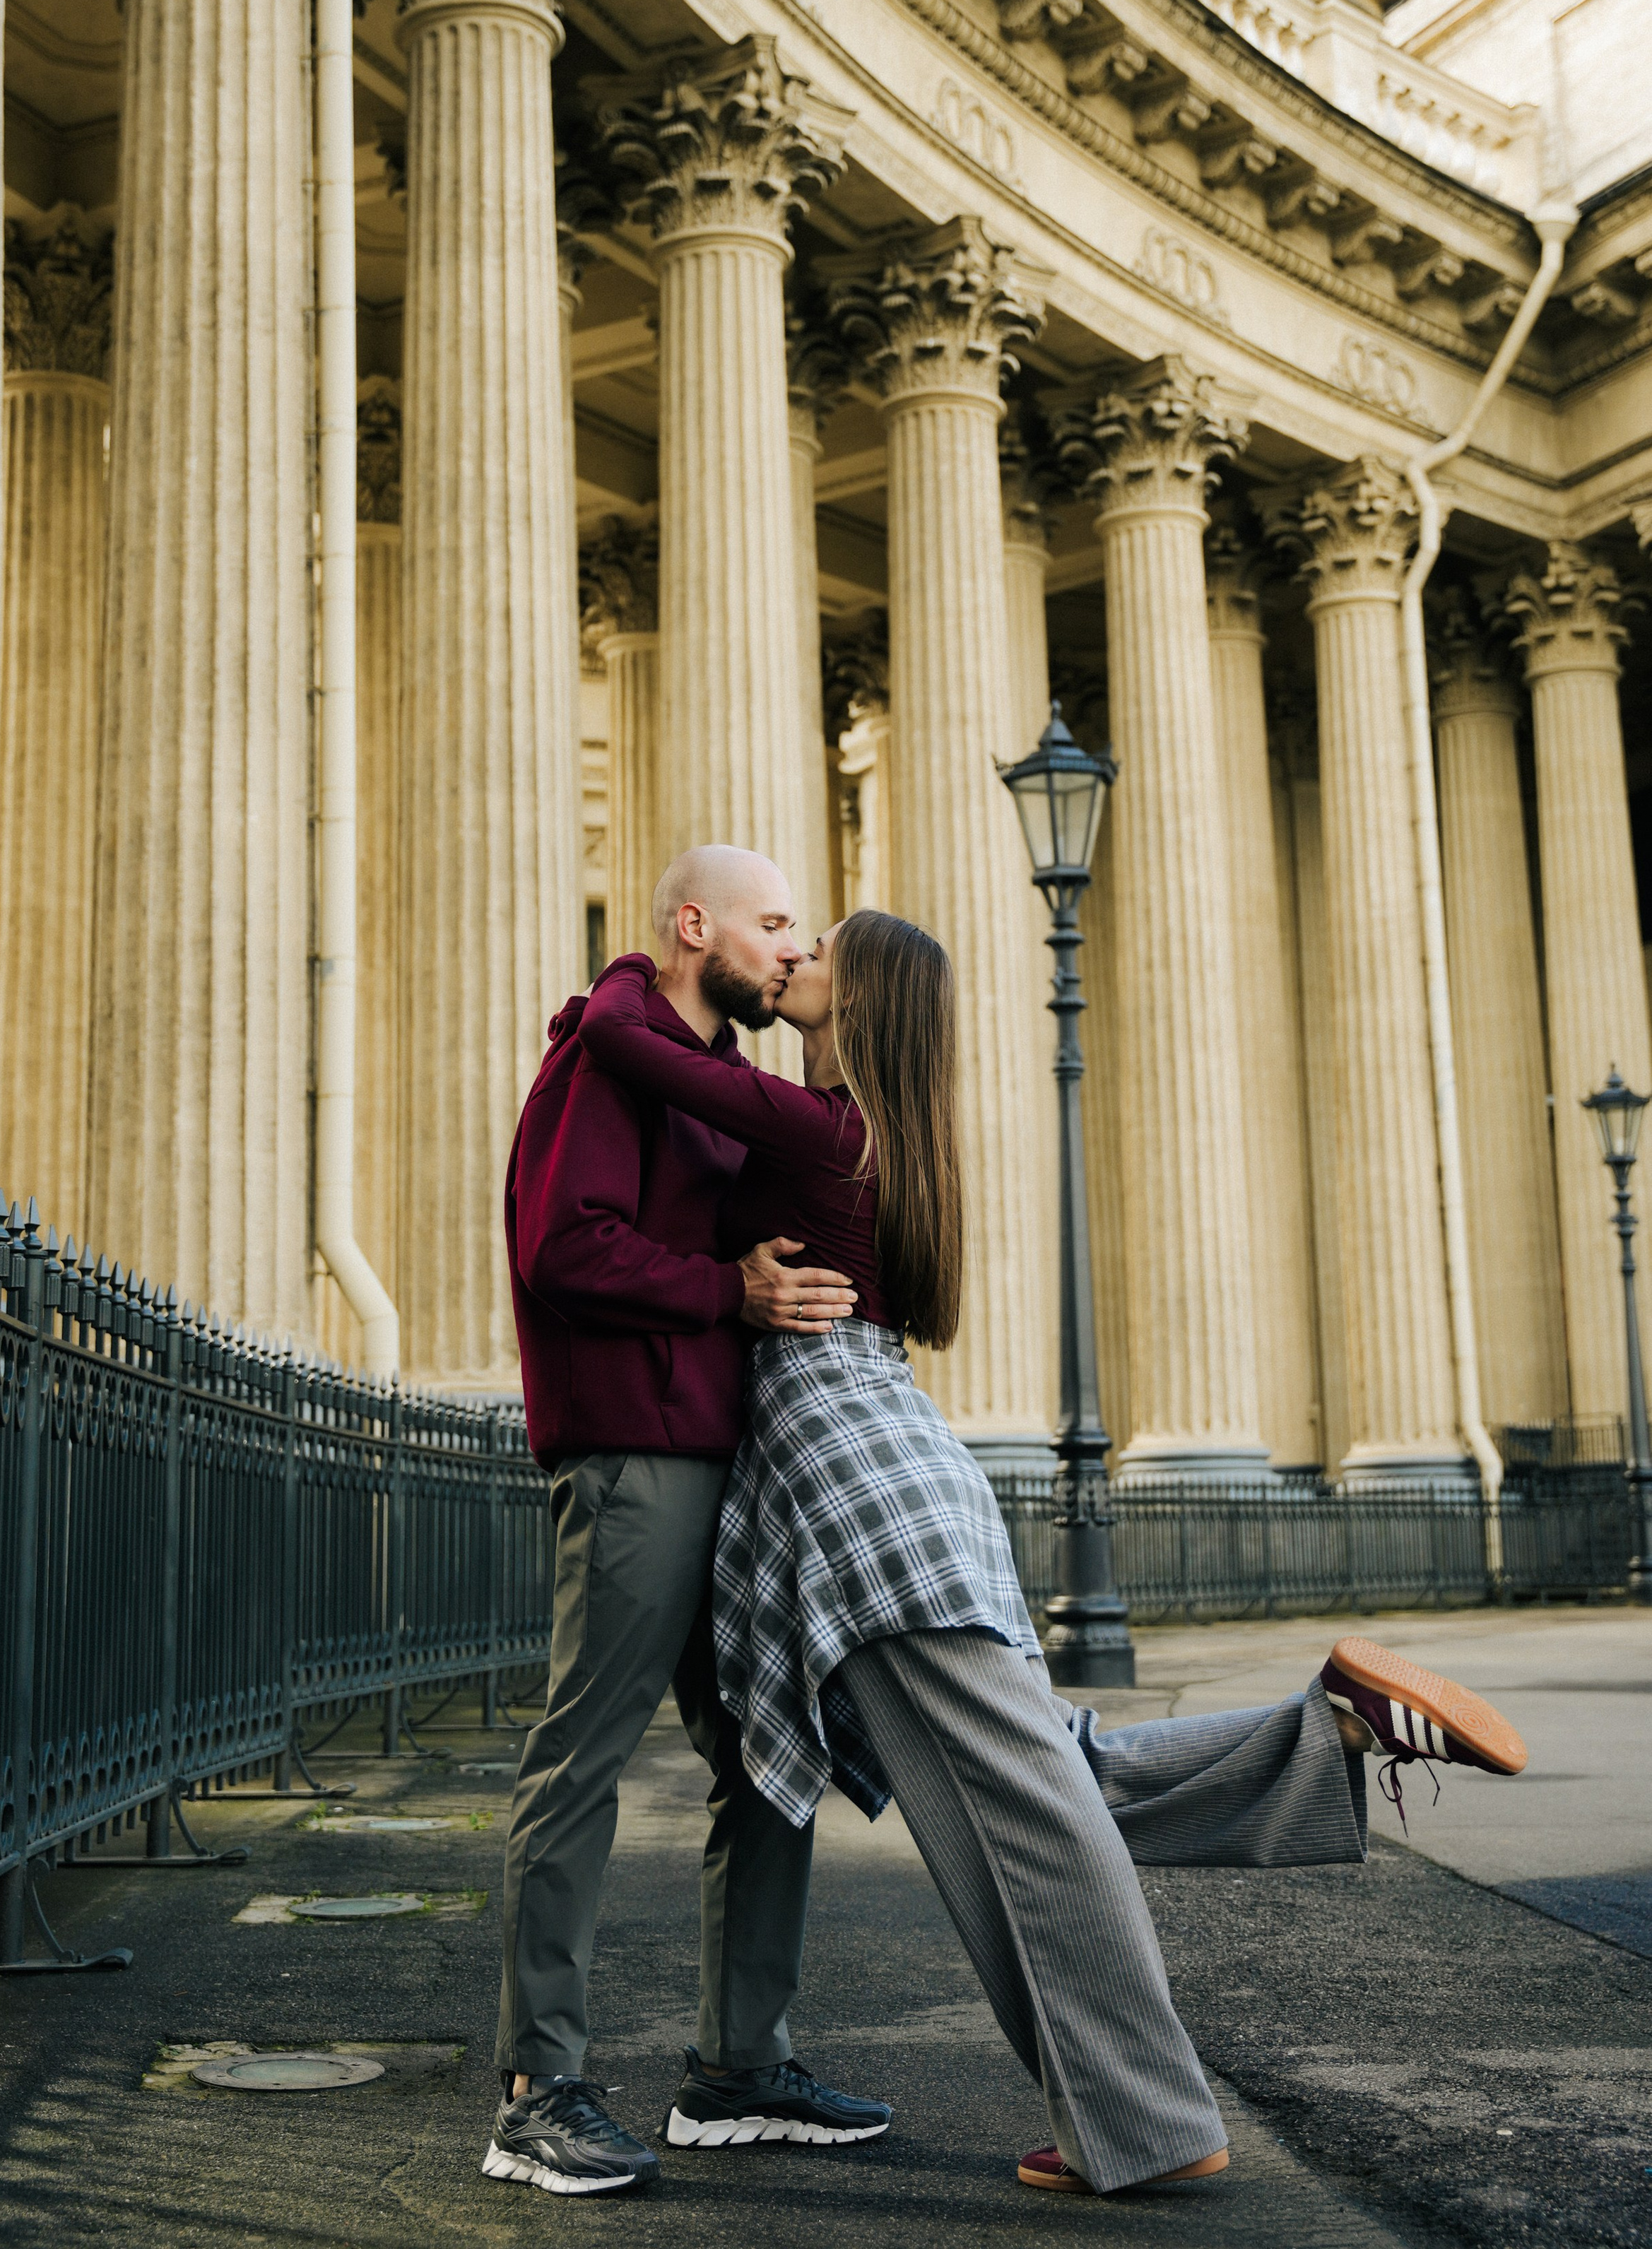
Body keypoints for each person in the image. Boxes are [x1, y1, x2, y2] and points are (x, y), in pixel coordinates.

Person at [576, 905, 1529, 2200]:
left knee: (1026, 1812)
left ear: (861, 1006)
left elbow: (647, 1058)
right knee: (1056, 1772)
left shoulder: (823, 1122)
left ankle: (1143, 2121)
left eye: (822, 955)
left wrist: (621, 981)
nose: (794, 960)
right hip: (897, 1470)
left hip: (857, 1485)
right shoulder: (894, 1140)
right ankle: (1332, 1734)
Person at [488, 847, 893, 2196]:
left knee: (770, 1754)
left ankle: (739, 2064)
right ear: (692, 924)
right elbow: (564, 1244)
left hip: (719, 1458)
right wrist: (728, 1291)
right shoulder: (606, 1063)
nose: (792, 947)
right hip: (632, 1458)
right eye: (774, 923)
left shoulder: (718, 1087)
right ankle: (536, 2092)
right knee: (582, 1758)